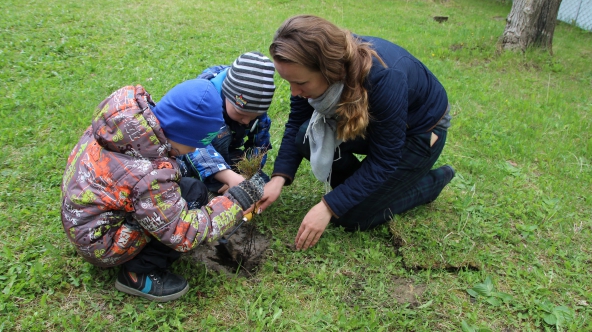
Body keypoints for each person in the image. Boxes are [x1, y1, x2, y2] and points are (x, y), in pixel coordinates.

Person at [256, 15, 455, 250]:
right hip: (375, 126)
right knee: (305, 137)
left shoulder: (383, 79)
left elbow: (384, 159)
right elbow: (297, 122)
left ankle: (430, 181)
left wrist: (329, 206)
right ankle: (376, 190)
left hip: (420, 132)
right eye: (288, 81)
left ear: (329, 71)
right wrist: (279, 178)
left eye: (300, 83)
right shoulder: (308, 73)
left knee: (352, 217)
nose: (294, 91)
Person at [61, 80, 265, 302]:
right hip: (103, 245)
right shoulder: (150, 175)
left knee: (191, 188)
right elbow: (183, 234)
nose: (195, 149)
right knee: (187, 206)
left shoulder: (123, 125)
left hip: (85, 222)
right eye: (195, 143)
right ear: (183, 134)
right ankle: (138, 273)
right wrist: (234, 203)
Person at [176, 52, 275, 194]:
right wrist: (227, 176)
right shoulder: (204, 102)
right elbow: (196, 146)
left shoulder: (254, 111)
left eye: (253, 116)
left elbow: (260, 144)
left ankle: (228, 180)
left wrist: (250, 172)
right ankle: (215, 185)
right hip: (187, 151)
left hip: (225, 154)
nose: (246, 121)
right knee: (220, 135)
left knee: (262, 185)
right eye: (241, 114)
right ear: (227, 95)